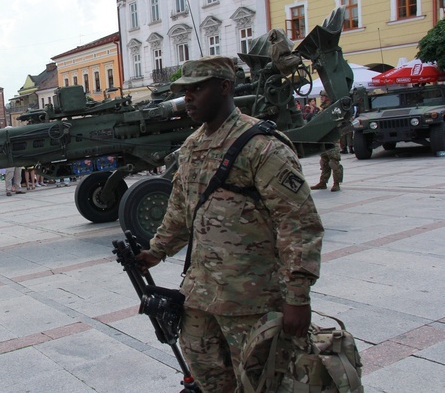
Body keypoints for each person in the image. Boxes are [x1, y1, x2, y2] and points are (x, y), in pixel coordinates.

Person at [135, 56, 324, 392]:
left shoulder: (262, 146)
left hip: (252, 302)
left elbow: (298, 222)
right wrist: (156, 251)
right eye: (184, 90)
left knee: (260, 383)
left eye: (197, 88)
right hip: (198, 299)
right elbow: (181, 210)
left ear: (224, 87)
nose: (188, 98)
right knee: (211, 383)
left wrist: (298, 297)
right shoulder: (192, 147)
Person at [310, 92, 343, 192]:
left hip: (332, 139)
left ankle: (336, 183)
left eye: (323, 96)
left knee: (334, 162)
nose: (321, 98)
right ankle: (323, 182)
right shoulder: (323, 110)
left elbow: (338, 122)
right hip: (323, 139)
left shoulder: (334, 109)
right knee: (324, 162)